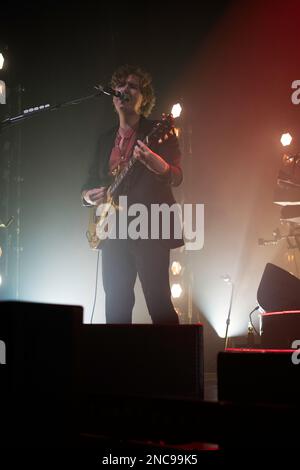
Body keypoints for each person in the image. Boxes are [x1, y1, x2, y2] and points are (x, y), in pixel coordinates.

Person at [81, 64, 183, 324]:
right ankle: (117, 364)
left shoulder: (158, 131)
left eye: (133, 86)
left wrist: (155, 163)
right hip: (113, 229)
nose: (124, 89)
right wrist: (88, 196)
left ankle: (173, 362)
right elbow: (88, 182)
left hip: (149, 225)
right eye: (121, 85)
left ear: (144, 98)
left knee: (158, 301)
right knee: (115, 304)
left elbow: (177, 175)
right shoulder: (105, 139)